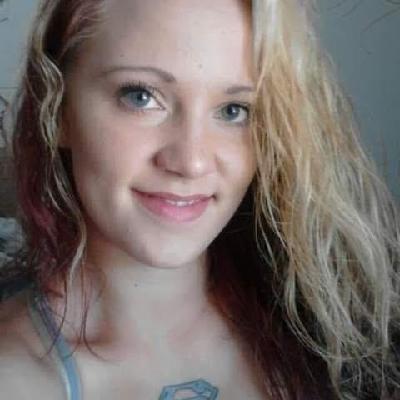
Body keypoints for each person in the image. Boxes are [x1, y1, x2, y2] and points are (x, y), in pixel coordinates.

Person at [0, 0, 399, 399]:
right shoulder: (17, 378)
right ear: (57, 110)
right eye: (140, 96)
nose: (191, 162)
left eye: (234, 110)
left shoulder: (343, 331)